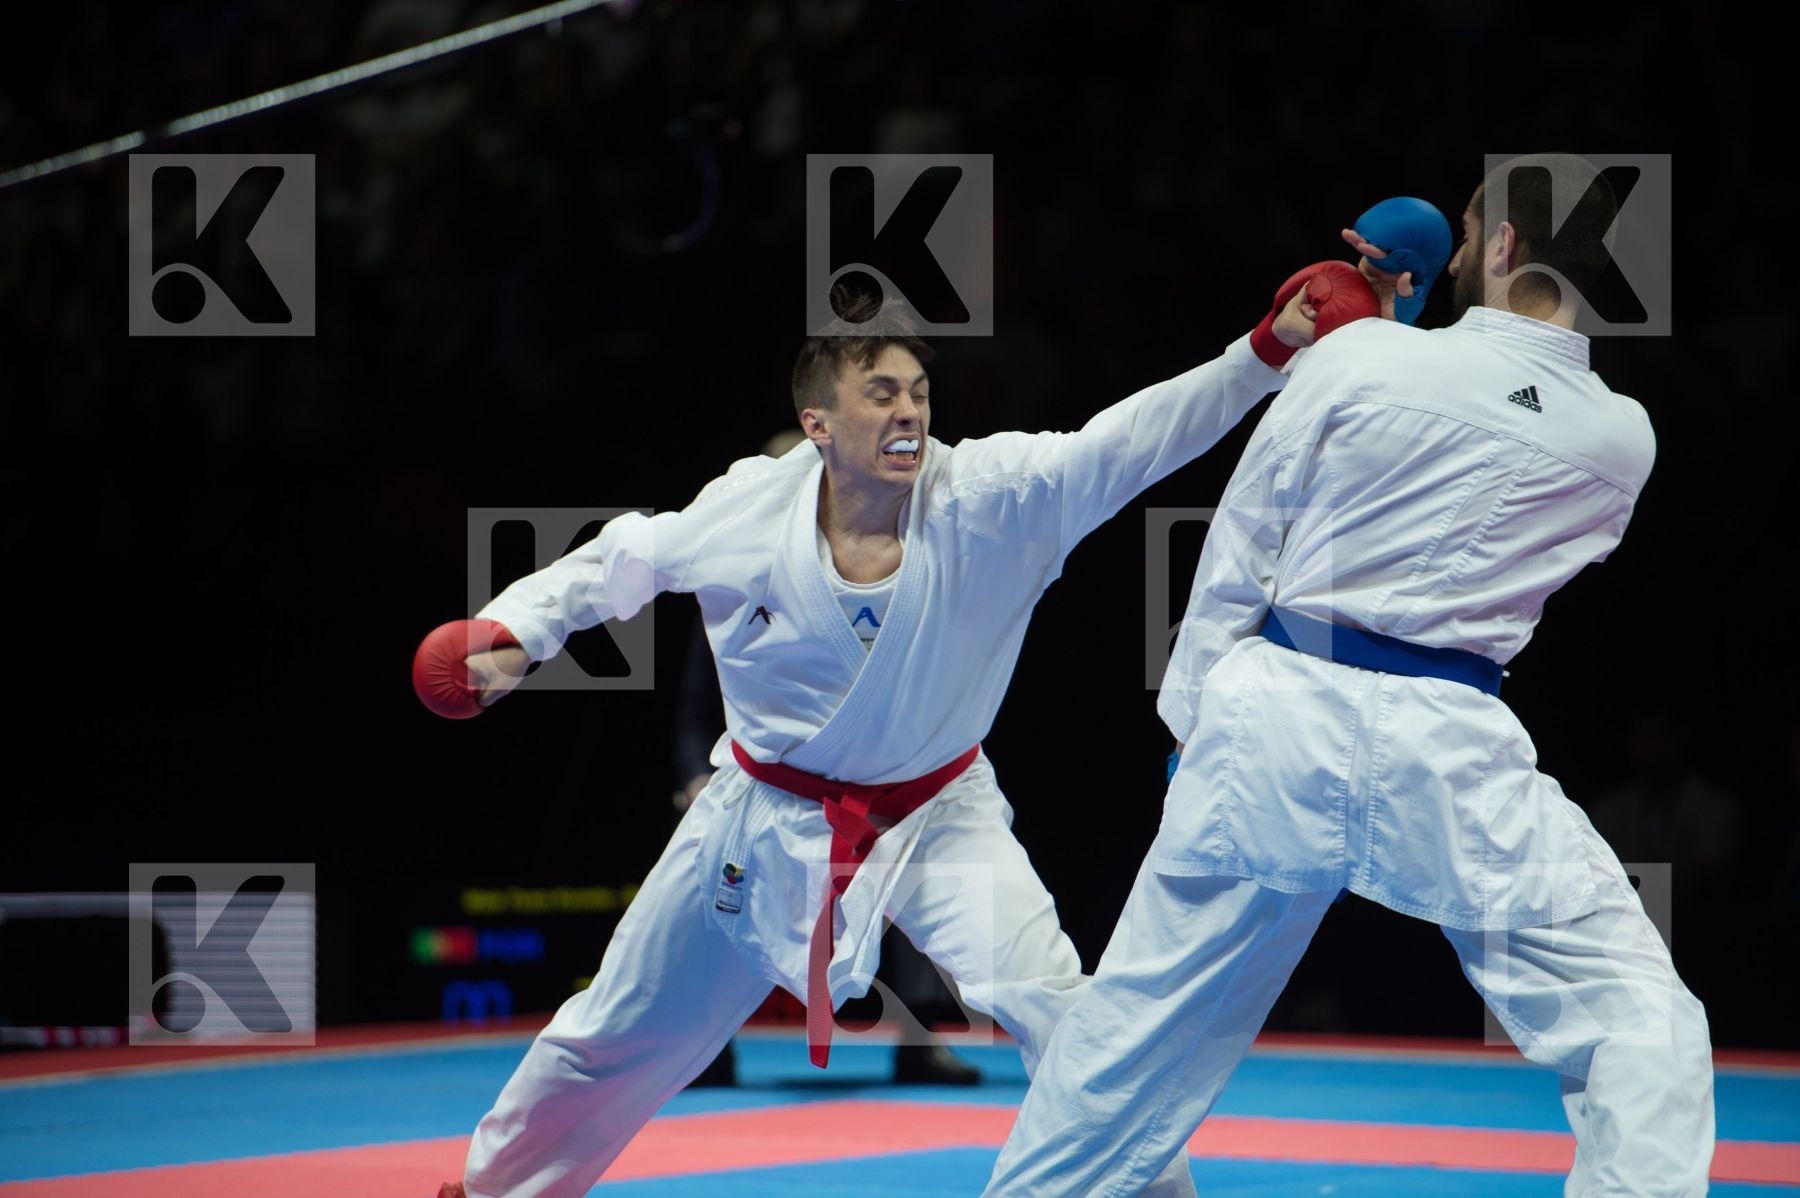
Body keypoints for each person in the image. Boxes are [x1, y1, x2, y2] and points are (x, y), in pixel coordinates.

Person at [410, 234, 1386, 1198]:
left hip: (938, 811)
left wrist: (1260, 352)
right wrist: (509, 631)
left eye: (918, 390)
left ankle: (1151, 1193)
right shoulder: (745, 511)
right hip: (758, 819)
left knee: (1060, 1007)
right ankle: (491, 1188)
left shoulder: (995, 499)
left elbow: (1130, 440)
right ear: (819, 424)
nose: (909, 408)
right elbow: (618, 561)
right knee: (616, 1032)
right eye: (881, 393)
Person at [983, 154, 1716, 1198]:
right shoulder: (1622, 439)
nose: (1460, 250)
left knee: (1125, 1046)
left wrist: (1192, 731)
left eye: (1471, 232)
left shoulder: (1358, 358)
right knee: (1642, 1020)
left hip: (1276, 717)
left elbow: (1241, 545)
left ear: (1502, 246)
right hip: (1451, 745)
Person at [674, 430, 983, 1088]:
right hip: (769, 790)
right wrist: (697, 779)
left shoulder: (898, 573)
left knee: (923, 854)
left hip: (876, 788)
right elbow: (699, 707)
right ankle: (706, 1048)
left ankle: (922, 1039)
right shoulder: (737, 584)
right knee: (713, 867)